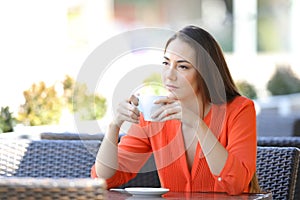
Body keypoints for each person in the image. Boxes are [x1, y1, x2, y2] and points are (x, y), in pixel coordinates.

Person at [91, 25, 260, 195]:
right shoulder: (155, 114)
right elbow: (104, 179)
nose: (169, 75)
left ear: (205, 73)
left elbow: (236, 184)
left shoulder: (239, 110)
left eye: (183, 66)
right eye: (166, 63)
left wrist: (196, 123)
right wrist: (114, 126)